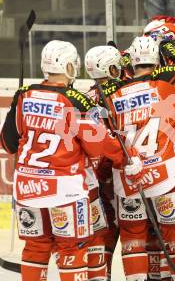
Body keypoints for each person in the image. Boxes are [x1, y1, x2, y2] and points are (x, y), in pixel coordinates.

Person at [0, 40, 142, 281]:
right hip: (65, 191)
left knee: (35, 248)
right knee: (72, 248)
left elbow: (7, 143)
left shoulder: (24, 96)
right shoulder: (76, 101)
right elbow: (98, 143)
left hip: (27, 187)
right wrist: (127, 157)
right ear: (68, 67)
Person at [108, 35, 175, 281]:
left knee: (133, 237)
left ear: (131, 63)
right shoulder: (166, 89)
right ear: (156, 61)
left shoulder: (114, 98)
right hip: (164, 175)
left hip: (130, 180)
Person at [84, 45, 124, 280]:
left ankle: (100, 274)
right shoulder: (122, 92)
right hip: (120, 168)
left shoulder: (85, 97)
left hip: (95, 175)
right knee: (133, 230)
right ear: (111, 68)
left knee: (103, 230)